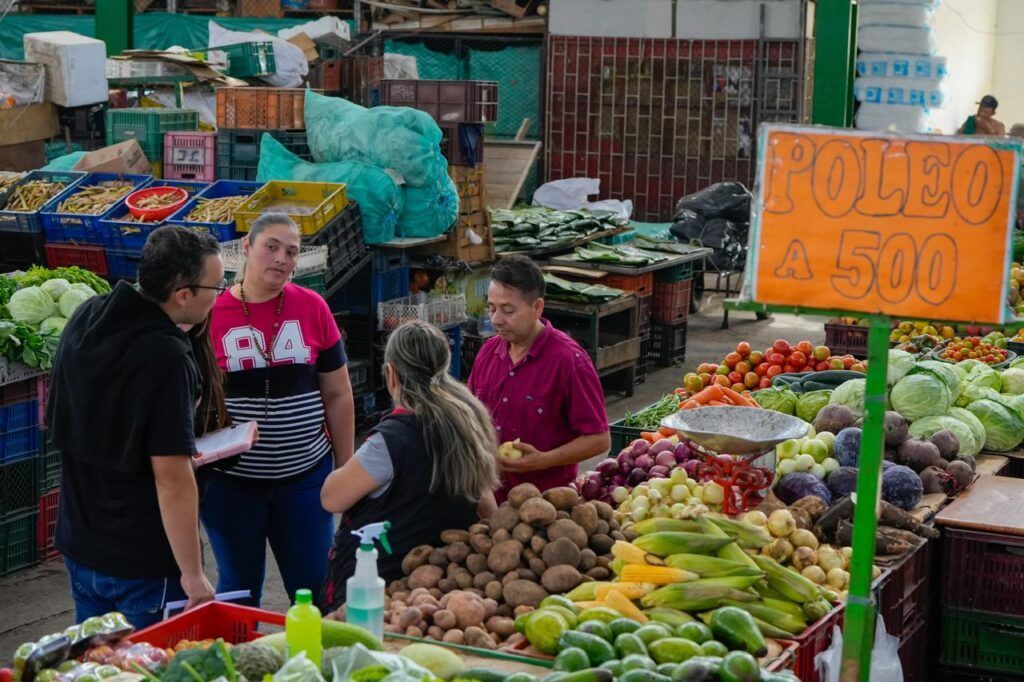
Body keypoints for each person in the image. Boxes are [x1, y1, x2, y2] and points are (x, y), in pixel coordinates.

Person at [47, 226, 223, 626]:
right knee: (147, 667)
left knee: (98, 667)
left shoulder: (88, 315)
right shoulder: (167, 358)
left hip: (80, 545)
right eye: (216, 285)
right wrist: (194, 577)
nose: (219, 294)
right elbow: (172, 479)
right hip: (142, 565)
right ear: (183, 295)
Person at [204, 213, 355, 607]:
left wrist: (346, 468)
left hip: (305, 481)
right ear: (245, 249)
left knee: (315, 590)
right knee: (238, 591)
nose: (281, 259)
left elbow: (338, 393)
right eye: (271, 246)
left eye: (291, 252)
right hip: (231, 486)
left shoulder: (313, 307)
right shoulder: (211, 313)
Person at [319, 320, 499, 611]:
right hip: (441, 585)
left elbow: (331, 498)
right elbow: (487, 505)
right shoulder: (470, 422)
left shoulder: (391, 440)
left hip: (381, 591)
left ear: (391, 374)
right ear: (444, 366)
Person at [468, 256, 611, 503]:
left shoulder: (569, 361)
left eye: (508, 310)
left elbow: (599, 440)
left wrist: (543, 460)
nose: (496, 319)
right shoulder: (488, 352)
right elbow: (470, 416)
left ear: (537, 308)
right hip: (487, 497)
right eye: (491, 308)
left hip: (545, 504)